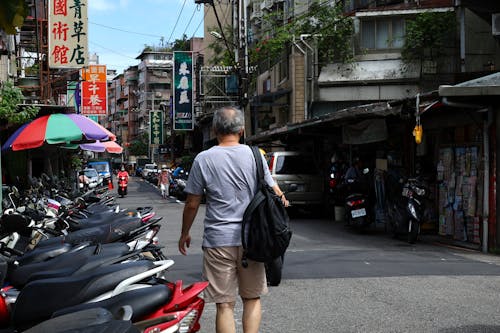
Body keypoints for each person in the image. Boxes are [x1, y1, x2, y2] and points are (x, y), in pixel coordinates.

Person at [178, 106, 288, 333]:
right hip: (254, 239)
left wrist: (184, 233)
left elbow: (192, 203)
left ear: (215, 129)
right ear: (242, 129)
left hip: (218, 240)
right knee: (252, 298)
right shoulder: (256, 155)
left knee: (224, 304)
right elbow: (275, 191)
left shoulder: (203, 159)